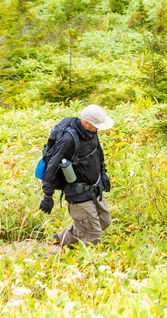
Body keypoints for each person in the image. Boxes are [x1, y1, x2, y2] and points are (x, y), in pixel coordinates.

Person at [39, 104, 114, 248]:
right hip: (78, 193)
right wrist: (47, 197)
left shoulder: (91, 132)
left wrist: (103, 174)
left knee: (104, 221)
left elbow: (98, 153)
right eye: (96, 125)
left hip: (94, 188)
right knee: (93, 234)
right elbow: (51, 167)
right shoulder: (68, 139)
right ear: (86, 122)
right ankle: (88, 265)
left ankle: (59, 239)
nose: (99, 128)